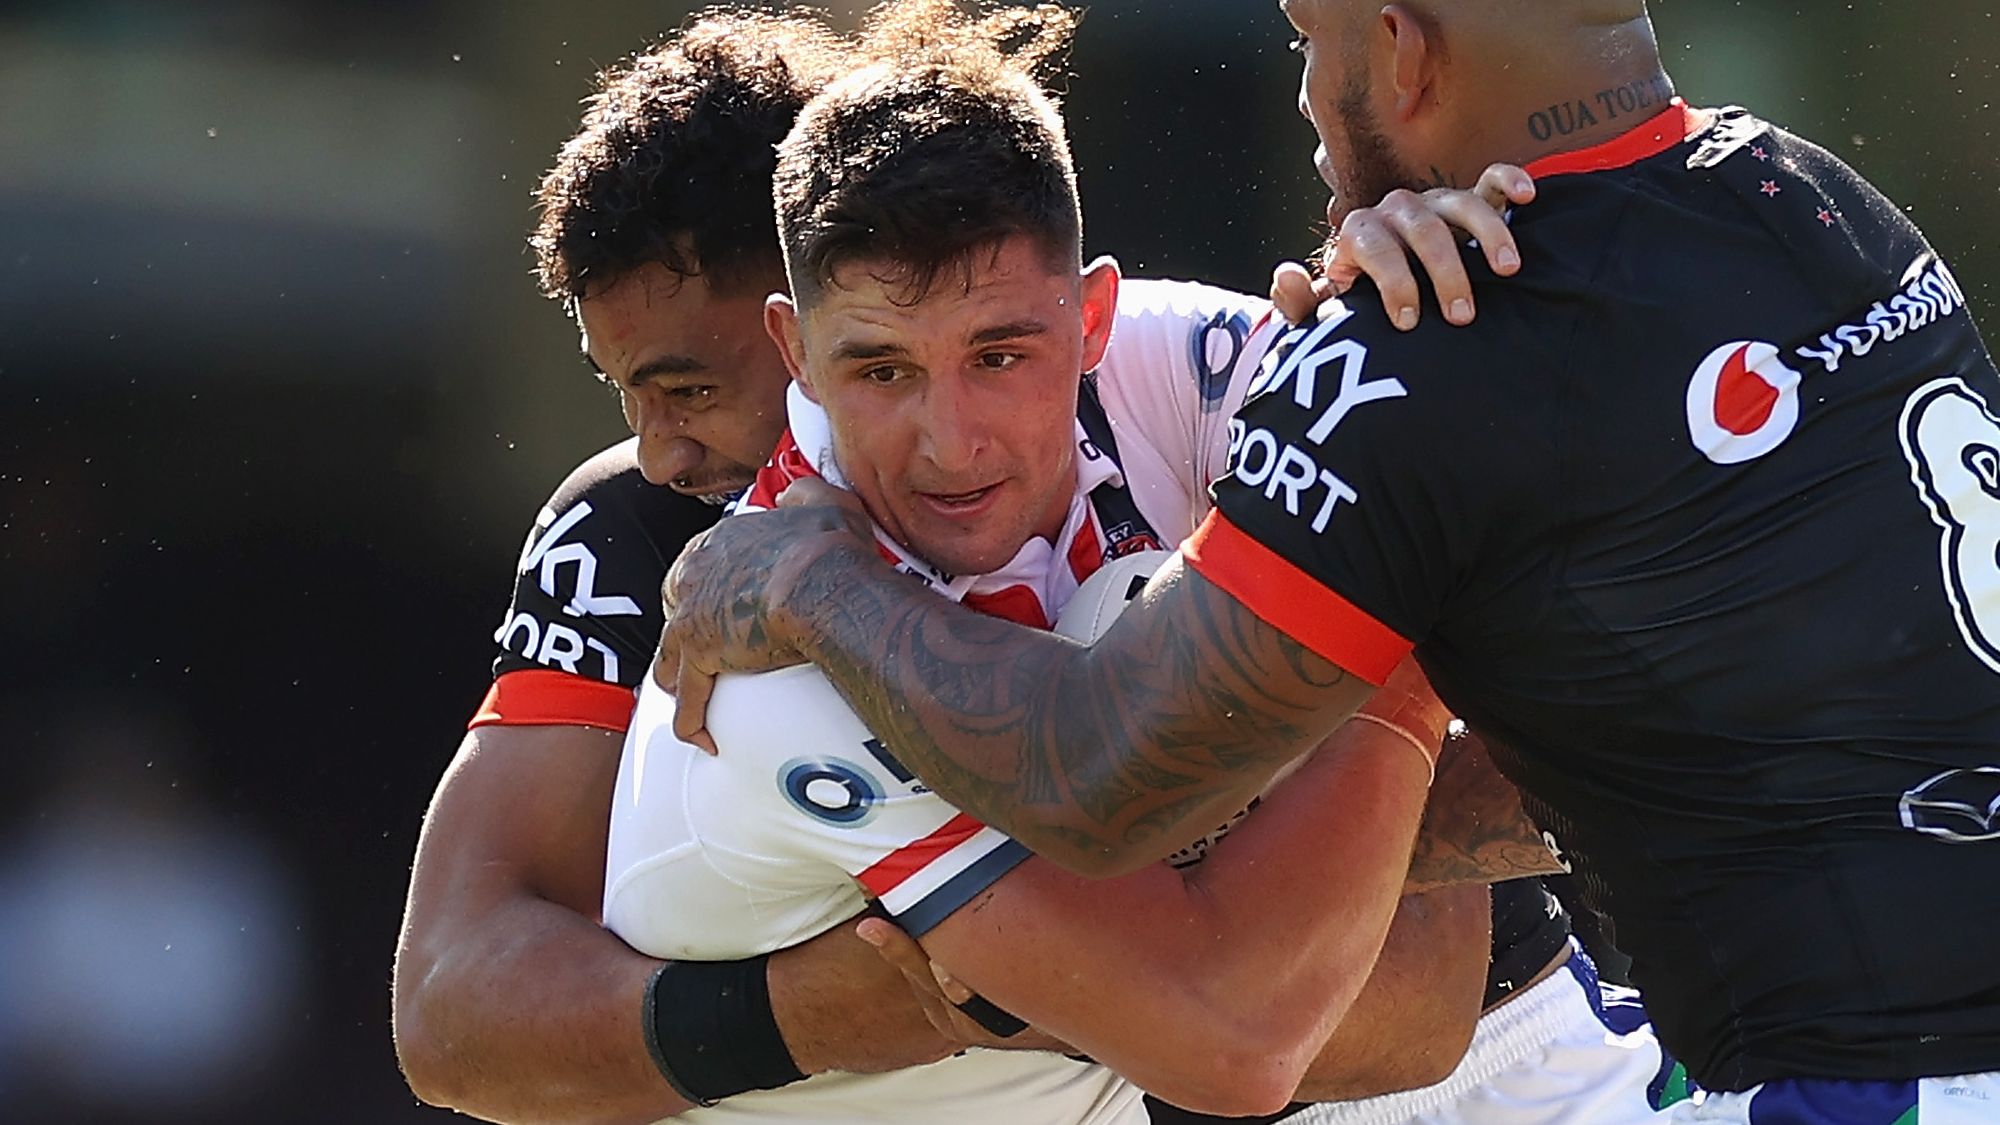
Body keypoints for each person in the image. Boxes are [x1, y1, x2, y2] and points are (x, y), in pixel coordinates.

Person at [655, 0, 2000, 1121]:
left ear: (1404, 52)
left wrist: (811, 580)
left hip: (1866, 1078)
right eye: (882, 369)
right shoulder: (1822, 204)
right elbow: (1687, 723)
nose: (1302, 96)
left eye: (1311, 41)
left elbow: (1096, 778)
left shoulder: (1416, 354)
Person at [392, 6, 1564, 1124]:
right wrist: (810, 1017)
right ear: (799, 333)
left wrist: (1420, 353)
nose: (657, 448)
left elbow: (1421, 997)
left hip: (1509, 1052)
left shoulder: (1169, 364)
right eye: (879, 365)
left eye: (689, 387)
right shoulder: (660, 547)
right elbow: (453, 1019)